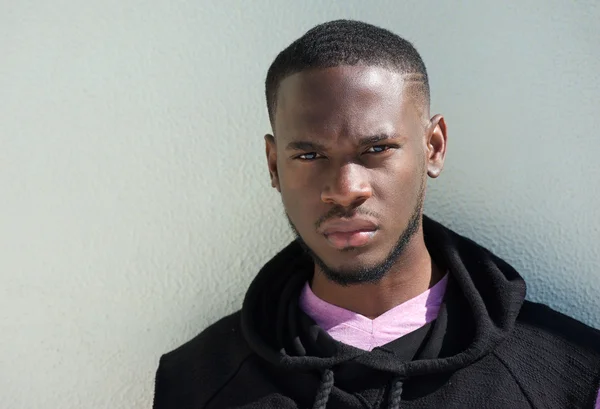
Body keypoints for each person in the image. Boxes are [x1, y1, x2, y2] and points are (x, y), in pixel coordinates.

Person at [152, 20, 600, 409]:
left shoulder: (568, 376)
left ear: (433, 147)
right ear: (273, 165)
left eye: (377, 149)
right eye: (308, 155)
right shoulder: (196, 381)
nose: (345, 190)